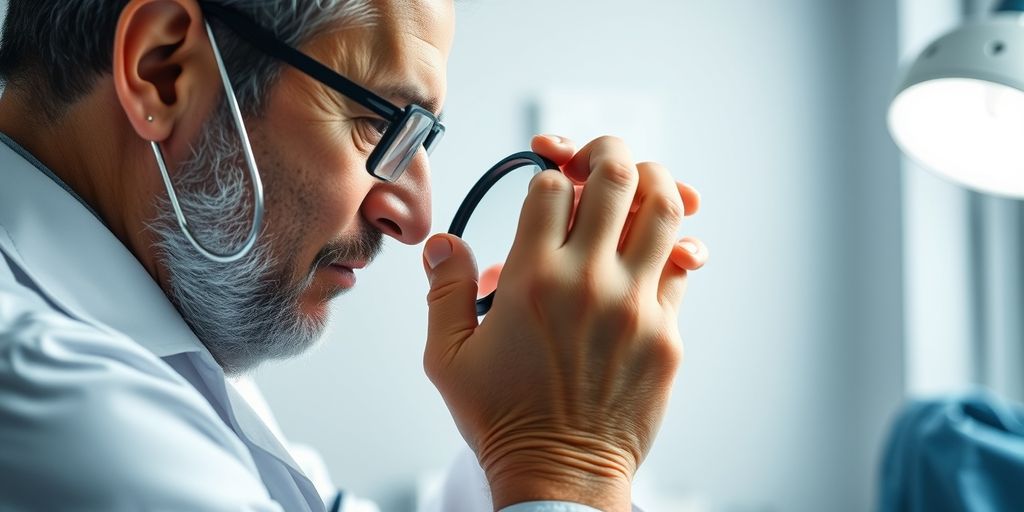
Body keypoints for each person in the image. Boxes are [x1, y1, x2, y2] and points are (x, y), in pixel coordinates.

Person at [0, 1, 708, 511]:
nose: (414, 217)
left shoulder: (154, 311)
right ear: (163, 69)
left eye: (423, 135)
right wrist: (568, 470)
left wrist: (520, 435)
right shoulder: (56, 398)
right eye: (380, 120)